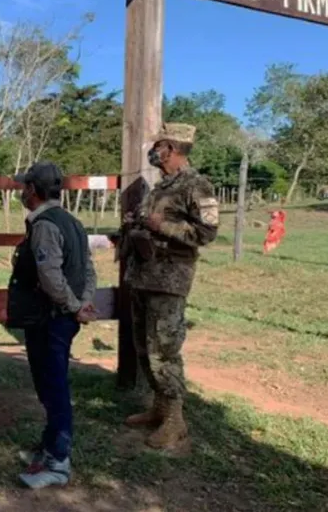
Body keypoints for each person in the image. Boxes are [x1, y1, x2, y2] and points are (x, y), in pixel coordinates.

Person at [122, 123, 219, 451]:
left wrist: (160, 225)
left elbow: (206, 233)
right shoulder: (161, 186)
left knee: (163, 350)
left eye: (159, 145)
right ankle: (159, 409)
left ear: (172, 149)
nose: (153, 150)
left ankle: (175, 421)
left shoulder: (197, 185)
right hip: (143, 276)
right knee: (143, 346)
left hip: (169, 281)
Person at [5, 161, 98, 490]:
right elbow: (88, 269)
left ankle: (58, 461)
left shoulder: (44, 225)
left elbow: (50, 277)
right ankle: (49, 448)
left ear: (32, 189)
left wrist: (73, 306)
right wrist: (83, 303)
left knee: (53, 389)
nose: (20, 192)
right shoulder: (73, 222)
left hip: (49, 319)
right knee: (51, 385)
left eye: (23, 187)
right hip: (63, 318)